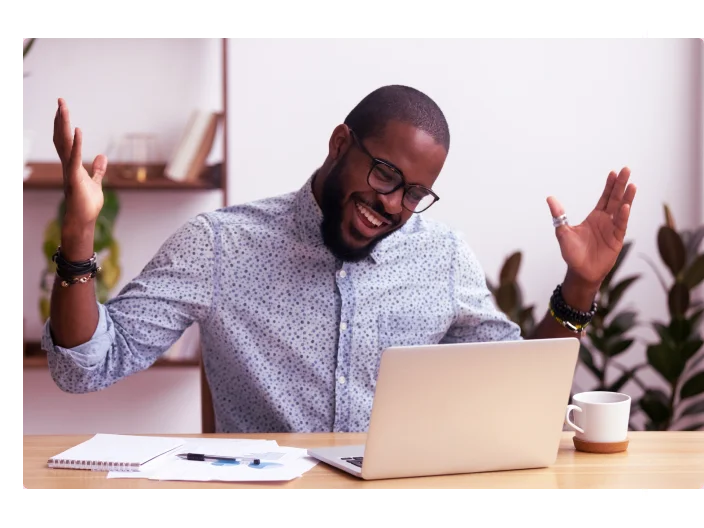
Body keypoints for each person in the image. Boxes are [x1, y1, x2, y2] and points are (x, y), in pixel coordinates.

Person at [44, 85, 637, 433]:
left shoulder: (443, 257)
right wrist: (78, 239)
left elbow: (521, 396)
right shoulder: (221, 245)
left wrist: (581, 284)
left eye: (414, 193)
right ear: (339, 144)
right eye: (385, 173)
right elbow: (84, 367)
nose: (393, 204)